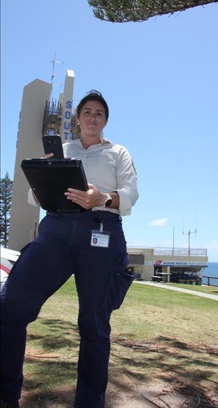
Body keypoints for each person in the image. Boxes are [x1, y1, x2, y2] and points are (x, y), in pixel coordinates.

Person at [0, 90, 139, 408]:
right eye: (87, 111)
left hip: (101, 232)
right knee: (9, 306)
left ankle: (90, 403)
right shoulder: (62, 150)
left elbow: (130, 194)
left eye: (99, 113)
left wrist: (101, 197)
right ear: (77, 119)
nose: (92, 117)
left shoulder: (118, 153)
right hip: (56, 231)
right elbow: (34, 198)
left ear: (105, 121)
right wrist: (44, 174)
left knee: (94, 323)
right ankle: (6, 395)